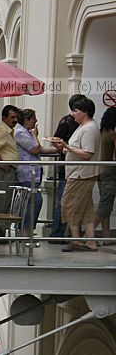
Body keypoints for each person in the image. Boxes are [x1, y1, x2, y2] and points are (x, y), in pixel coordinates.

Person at [51, 96, 101, 252]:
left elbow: (87, 153)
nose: (73, 114)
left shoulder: (89, 128)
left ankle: (76, 239)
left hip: (80, 174)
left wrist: (68, 147)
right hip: (79, 172)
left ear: (84, 112)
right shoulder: (84, 127)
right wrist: (66, 148)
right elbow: (78, 148)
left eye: (76, 111)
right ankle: (90, 241)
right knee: (86, 208)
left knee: (68, 205)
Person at [14, 109, 57, 235]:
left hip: (34, 173)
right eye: (34, 119)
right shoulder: (20, 133)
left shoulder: (26, 132)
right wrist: (35, 135)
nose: (36, 121)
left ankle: (27, 229)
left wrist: (58, 149)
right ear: (27, 120)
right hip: (27, 173)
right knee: (35, 200)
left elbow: (40, 149)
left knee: (33, 201)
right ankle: (24, 230)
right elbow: (35, 149)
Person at [50, 94, 87, 238]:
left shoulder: (83, 125)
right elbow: (56, 140)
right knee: (63, 201)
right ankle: (57, 233)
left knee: (74, 203)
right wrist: (64, 148)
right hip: (67, 168)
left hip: (78, 168)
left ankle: (72, 234)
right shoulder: (66, 122)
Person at [0, 105, 21, 235]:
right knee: (0, 201)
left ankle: (0, 232)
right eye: (12, 117)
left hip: (9, 171)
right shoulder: (1, 130)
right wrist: (2, 164)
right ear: (4, 118)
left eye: (16, 117)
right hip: (2, 172)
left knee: (7, 201)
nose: (15, 120)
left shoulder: (9, 131)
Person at [95, 107, 116, 238]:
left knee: (104, 202)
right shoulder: (113, 135)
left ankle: (106, 234)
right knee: (105, 205)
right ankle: (86, 236)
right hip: (110, 171)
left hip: (99, 170)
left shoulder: (100, 132)